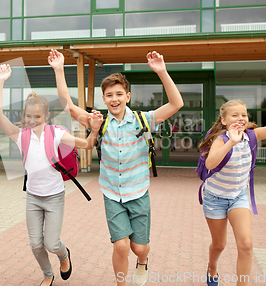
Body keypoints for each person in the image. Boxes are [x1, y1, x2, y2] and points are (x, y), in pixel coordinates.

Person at [48, 49, 184, 286]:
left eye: (119, 94)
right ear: (104, 99)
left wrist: (162, 71)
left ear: (128, 96)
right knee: (121, 246)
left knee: (139, 248)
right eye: (109, 95)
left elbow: (176, 103)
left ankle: (143, 261)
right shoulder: (98, 122)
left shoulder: (143, 120)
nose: (114, 99)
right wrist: (59, 69)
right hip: (112, 194)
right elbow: (68, 106)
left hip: (139, 192)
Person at [0, 63, 103, 286]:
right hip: (33, 197)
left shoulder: (57, 134)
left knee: (52, 244)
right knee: (35, 244)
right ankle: (47, 274)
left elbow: (88, 145)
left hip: (54, 197)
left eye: (38, 116)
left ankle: (64, 256)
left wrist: (95, 129)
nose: (33, 120)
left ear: (47, 115)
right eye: (29, 116)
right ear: (25, 116)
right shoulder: (20, 135)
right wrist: (0, 81)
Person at [199, 81, 266, 286]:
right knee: (220, 245)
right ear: (224, 120)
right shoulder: (221, 140)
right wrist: (231, 141)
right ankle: (212, 266)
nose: (241, 118)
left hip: (239, 196)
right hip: (215, 198)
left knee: (246, 245)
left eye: (244, 115)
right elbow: (211, 163)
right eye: (235, 115)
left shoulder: (252, 136)